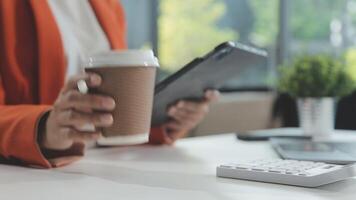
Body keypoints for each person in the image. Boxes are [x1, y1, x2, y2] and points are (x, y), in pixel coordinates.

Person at [0, 0, 219, 168]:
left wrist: (167, 121)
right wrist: (44, 129)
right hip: (37, 177)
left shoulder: (107, 5)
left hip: (106, 167)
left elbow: (111, 105)